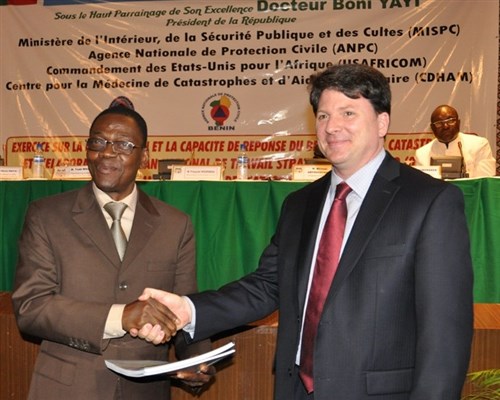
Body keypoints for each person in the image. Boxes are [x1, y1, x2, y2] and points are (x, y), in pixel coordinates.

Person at [137, 64, 474, 399]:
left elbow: (445, 335)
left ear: (382, 122)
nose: (332, 127)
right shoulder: (300, 204)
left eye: (348, 113)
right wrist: (187, 310)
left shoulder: (429, 202)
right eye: (323, 116)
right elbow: (266, 287)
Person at [12, 102, 214, 400]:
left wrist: (198, 359)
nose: (106, 152)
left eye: (123, 144)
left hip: (146, 392)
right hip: (67, 389)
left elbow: (183, 309)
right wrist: (120, 317)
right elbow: (32, 308)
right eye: (97, 142)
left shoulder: (175, 224)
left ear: (144, 156)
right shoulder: (46, 216)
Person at [414, 104, 496, 177]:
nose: (445, 126)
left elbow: (486, 180)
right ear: (432, 128)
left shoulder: (479, 145)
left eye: (450, 121)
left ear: (458, 123)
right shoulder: (422, 154)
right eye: (439, 123)